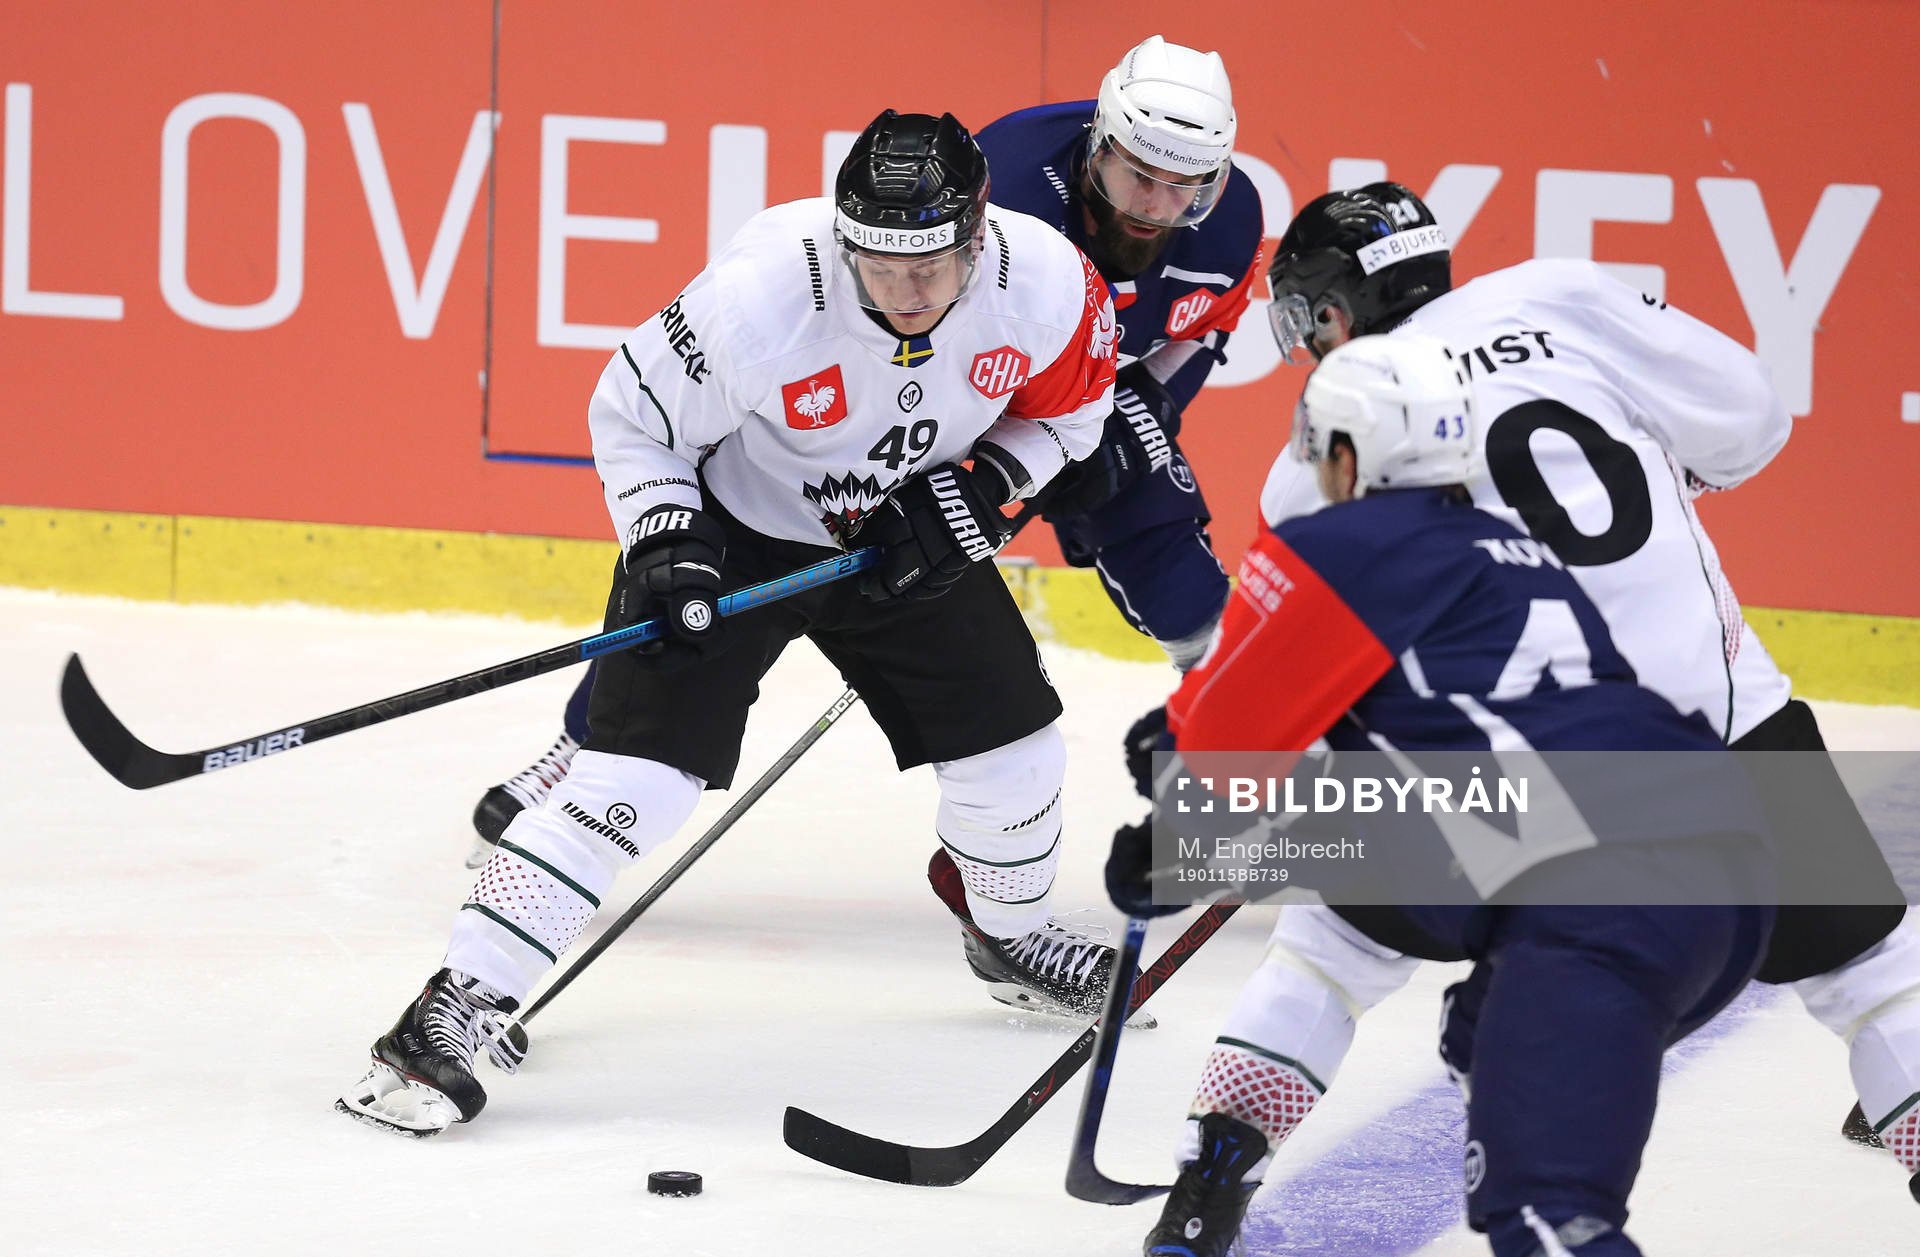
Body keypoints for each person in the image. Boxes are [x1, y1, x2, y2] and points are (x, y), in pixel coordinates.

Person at [1131, 182, 1920, 1246]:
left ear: (1326, 313)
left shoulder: (1309, 467)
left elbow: (1307, 684)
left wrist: (1211, 807)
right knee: (1875, 975)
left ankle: (1209, 1187)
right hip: (1723, 721)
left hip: (1521, 773)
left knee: (1333, 942)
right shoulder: (1552, 294)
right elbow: (1749, 418)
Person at [336, 109, 1122, 1137]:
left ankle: (1011, 936)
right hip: (737, 531)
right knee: (632, 787)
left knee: (1017, 752)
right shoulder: (760, 297)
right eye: (881, 268)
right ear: (845, 239)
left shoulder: (1052, 287)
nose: (909, 293)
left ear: (981, 232)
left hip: (899, 536)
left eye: (933, 264)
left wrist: (988, 485)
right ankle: (458, 1004)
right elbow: (634, 416)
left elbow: (1076, 408)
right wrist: (665, 536)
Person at [466, 34, 1266, 857]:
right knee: (712, 581)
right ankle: (584, 749)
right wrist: (953, 469)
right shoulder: (1013, 178)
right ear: (1099, 142)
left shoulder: (1235, 221)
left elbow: (1202, 331)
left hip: (1071, 408)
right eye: (1137, 176)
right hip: (949, 404)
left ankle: (1270, 773)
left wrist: (1149, 405)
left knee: (1177, 569)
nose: (1153, 208)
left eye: (1185, 189)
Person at [1109, 332, 1778, 1257]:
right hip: (1726, 861)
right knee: (1462, 1018)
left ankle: (1208, 1183)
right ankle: (1234, 1178)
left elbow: (1226, 754)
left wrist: (1166, 827)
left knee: (1546, 1212)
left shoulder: (1340, 539)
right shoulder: (1520, 550)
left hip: (1599, 895)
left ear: (1346, 453)